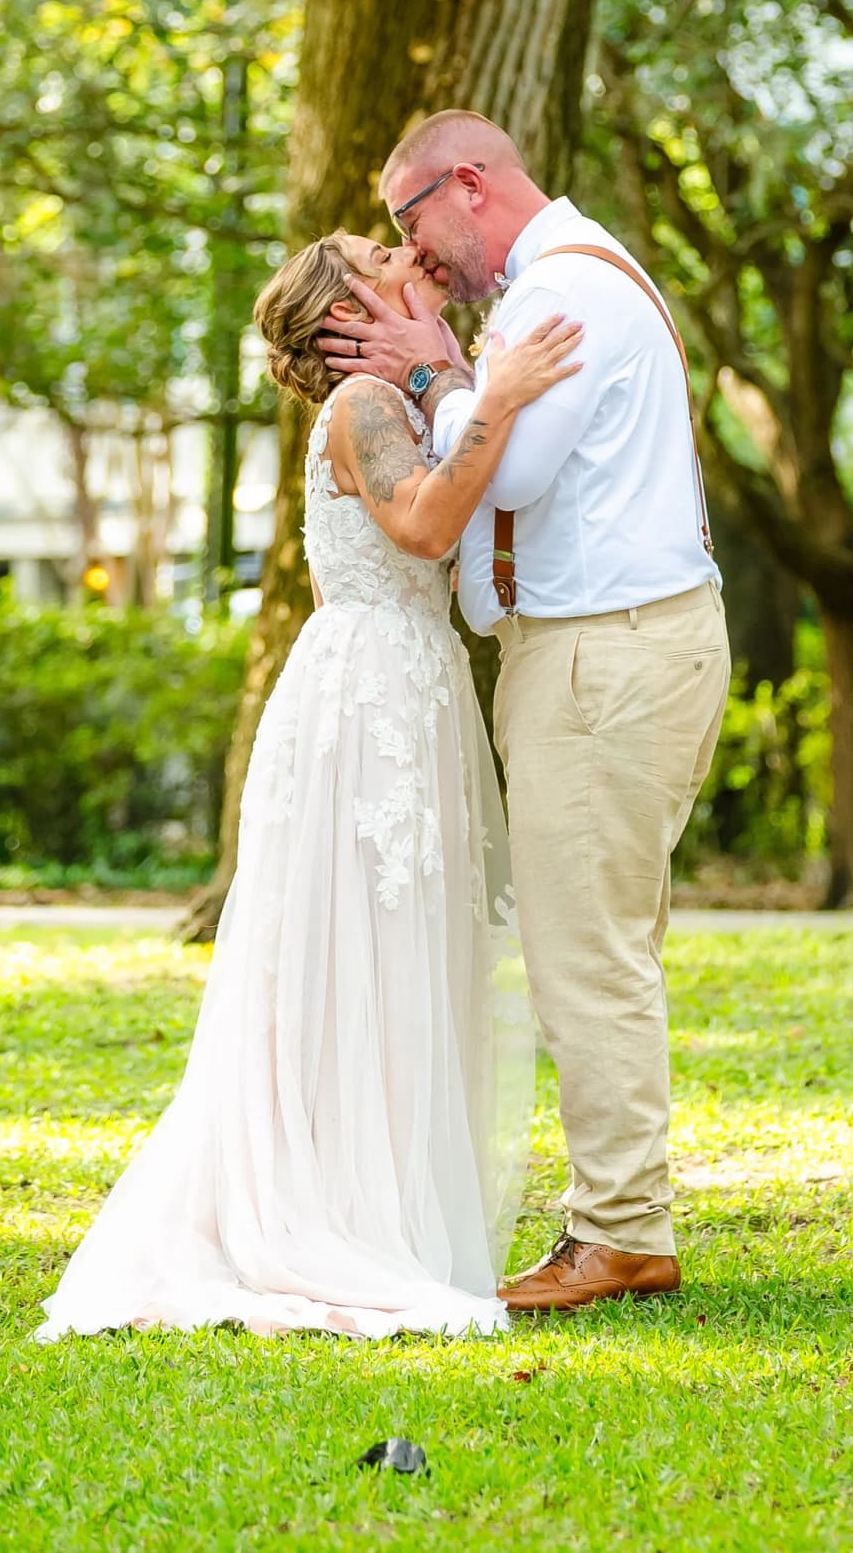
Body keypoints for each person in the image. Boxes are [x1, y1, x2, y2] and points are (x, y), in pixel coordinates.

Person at [37, 230, 580, 1343]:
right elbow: (425, 519)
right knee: (361, 949)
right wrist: (502, 394)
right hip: (367, 692)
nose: (400, 248)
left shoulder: (398, 393)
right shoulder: (361, 410)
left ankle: (386, 1206)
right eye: (374, 250)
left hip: (416, 680)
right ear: (343, 312)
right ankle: (327, 1215)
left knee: (412, 953)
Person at [318, 111, 729, 1314]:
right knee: (601, 946)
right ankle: (617, 1217)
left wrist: (435, 367)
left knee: (583, 955)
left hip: (608, 656)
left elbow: (520, 470)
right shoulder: (565, 279)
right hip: (611, 648)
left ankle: (618, 1232)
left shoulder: (570, 293)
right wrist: (457, 367)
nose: (416, 255)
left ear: (470, 183)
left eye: (410, 222)